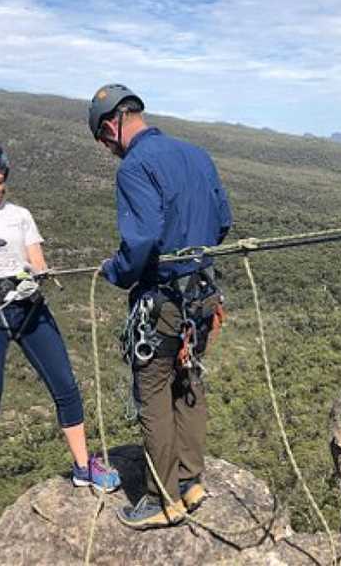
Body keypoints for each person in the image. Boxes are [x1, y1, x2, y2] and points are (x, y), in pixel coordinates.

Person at [0, 141, 120, 551]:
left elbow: (37, 259)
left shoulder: (20, 216)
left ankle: (81, 466)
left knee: (66, 385)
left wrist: (33, 274)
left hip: (28, 304)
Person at [88, 84, 232, 530]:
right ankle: (191, 481)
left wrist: (116, 272)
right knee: (189, 382)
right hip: (202, 296)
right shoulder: (196, 154)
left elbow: (142, 239)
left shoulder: (134, 167)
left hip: (162, 302)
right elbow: (223, 221)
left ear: (111, 125)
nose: (109, 150)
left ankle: (161, 498)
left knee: (154, 395)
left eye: (104, 141)